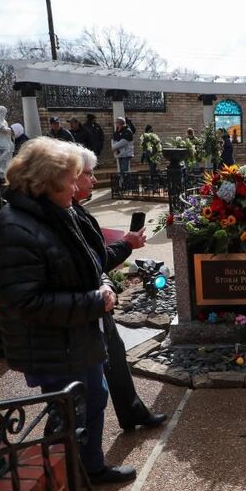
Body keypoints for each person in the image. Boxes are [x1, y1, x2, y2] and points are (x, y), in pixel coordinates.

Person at [0, 137, 136, 485]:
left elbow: (89, 260)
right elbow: (25, 303)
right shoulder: (14, 228)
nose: (78, 185)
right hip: (54, 345)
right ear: (46, 180)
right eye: (71, 179)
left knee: (94, 399)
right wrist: (95, 302)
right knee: (72, 415)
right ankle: (72, 484)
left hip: (78, 335)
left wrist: (105, 286)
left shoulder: (59, 211)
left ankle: (91, 469)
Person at [74, 149, 167, 433]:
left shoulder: (74, 210)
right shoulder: (65, 214)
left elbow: (92, 259)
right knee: (89, 388)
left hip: (97, 300)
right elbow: (93, 258)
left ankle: (133, 411)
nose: (93, 180)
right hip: (80, 308)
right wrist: (126, 245)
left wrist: (104, 282)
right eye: (88, 174)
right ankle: (83, 456)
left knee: (115, 355)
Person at [111, 117, 134, 188]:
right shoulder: (117, 131)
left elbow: (123, 142)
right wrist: (114, 147)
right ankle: (125, 185)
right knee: (122, 171)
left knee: (124, 171)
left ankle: (128, 185)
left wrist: (114, 147)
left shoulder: (127, 131)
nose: (116, 124)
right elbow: (114, 140)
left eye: (117, 123)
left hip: (126, 154)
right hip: (120, 154)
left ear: (120, 123)